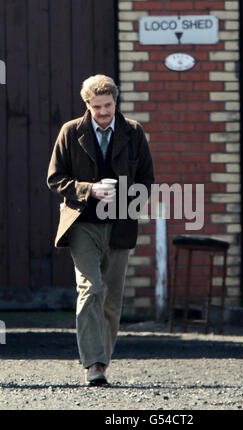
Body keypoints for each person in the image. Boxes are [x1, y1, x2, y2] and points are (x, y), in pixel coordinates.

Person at [47, 74, 154, 385]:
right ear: (87, 105)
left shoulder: (133, 132)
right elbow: (55, 179)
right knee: (91, 288)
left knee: (111, 298)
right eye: (97, 107)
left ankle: (102, 362)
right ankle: (92, 364)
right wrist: (88, 190)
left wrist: (126, 192)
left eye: (108, 106)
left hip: (121, 222)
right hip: (82, 223)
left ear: (115, 102)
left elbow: (148, 181)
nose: (104, 112)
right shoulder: (71, 131)